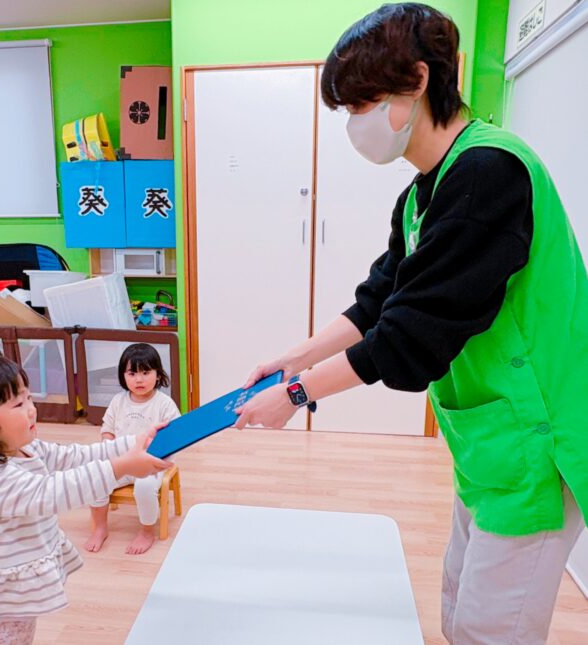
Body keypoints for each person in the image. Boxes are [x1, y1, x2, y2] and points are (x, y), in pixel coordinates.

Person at [235, 4, 587, 643]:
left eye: (362, 103)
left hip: (536, 442)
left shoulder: (488, 173)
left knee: (489, 629)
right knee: (457, 608)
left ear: (419, 80)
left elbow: (407, 340)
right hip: (489, 441)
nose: (356, 123)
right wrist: (295, 358)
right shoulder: (424, 190)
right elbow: (381, 298)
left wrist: (296, 395)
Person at [0, 353, 170, 644]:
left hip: (11, 597)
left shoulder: (26, 449)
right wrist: (121, 467)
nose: (31, 409)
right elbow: (53, 492)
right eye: (18, 404)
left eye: (29, 398)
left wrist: (134, 442)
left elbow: (77, 456)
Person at [85, 343, 181, 555]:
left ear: (158, 375)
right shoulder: (118, 401)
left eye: (145, 373)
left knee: (144, 487)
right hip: (123, 461)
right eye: (132, 373)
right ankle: (100, 528)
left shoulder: (164, 404)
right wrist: (108, 450)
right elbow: (107, 430)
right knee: (95, 478)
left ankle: (147, 531)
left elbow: (174, 436)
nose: (139, 379)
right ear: (123, 376)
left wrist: (157, 459)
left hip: (152, 463)